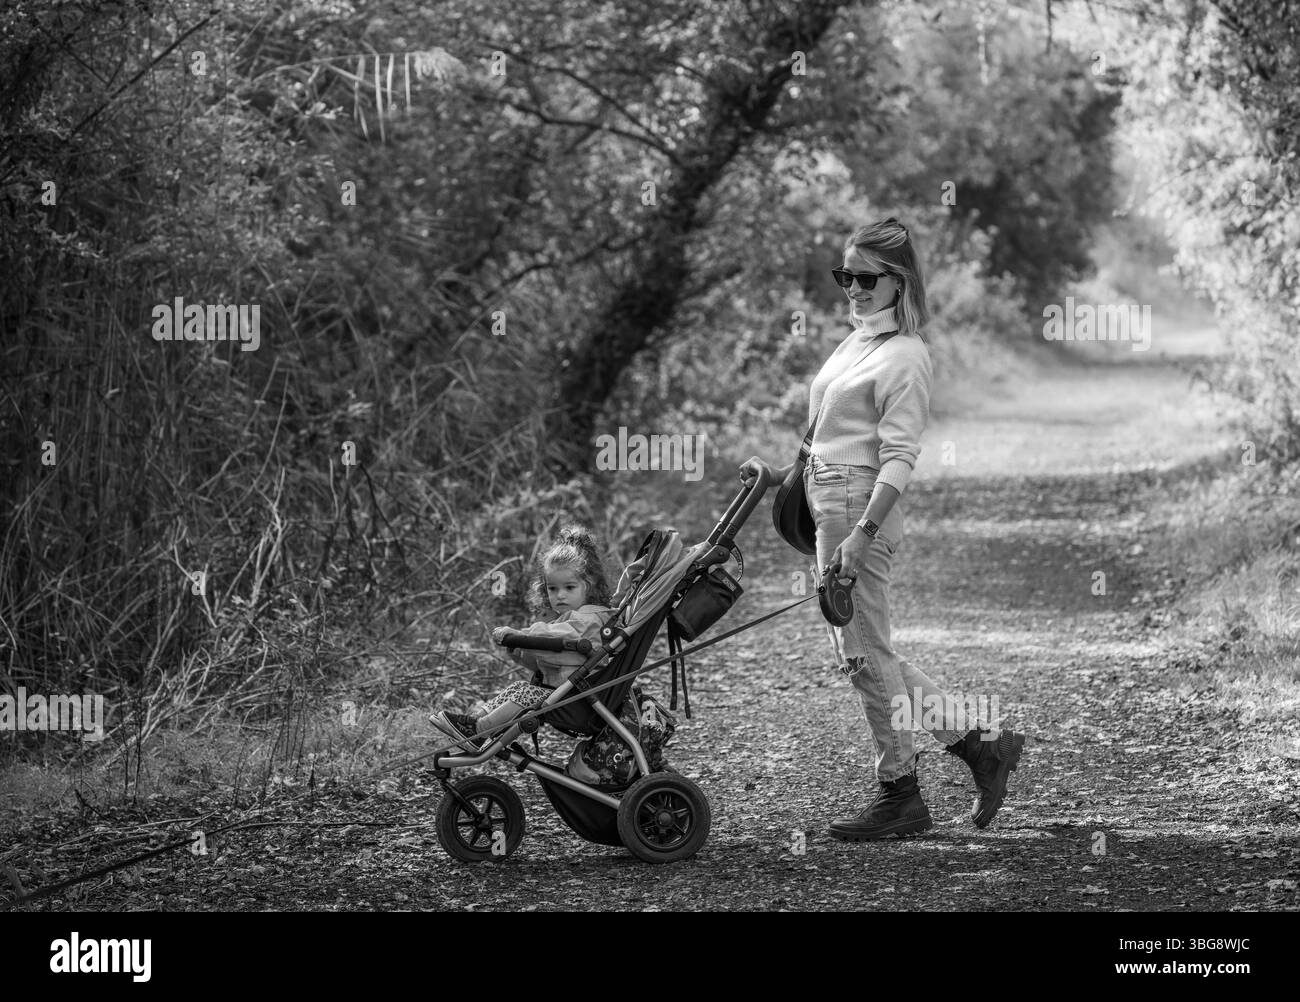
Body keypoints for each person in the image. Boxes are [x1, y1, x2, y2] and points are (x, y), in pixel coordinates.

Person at [741, 217, 1026, 840]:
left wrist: (861, 532)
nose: (853, 288)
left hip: (857, 505)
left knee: (862, 651)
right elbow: (827, 431)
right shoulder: (856, 342)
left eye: (867, 278)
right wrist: (780, 478)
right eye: (846, 276)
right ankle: (982, 745)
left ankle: (901, 793)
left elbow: (898, 456)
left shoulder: (906, 356)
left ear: (899, 282)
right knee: (872, 649)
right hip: (828, 496)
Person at [430, 525, 613, 749]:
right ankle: (476, 719)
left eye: (569, 587)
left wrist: (523, 635)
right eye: (552, 589)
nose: (560, 595)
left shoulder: (589, 620)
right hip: (567, 694)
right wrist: (521, 652)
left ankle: (478, 731)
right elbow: (550, 659)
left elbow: (554, 640)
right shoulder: (570, 618)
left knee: (525, 693)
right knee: (518, 688)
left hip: (580, 700)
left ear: (590, 584)